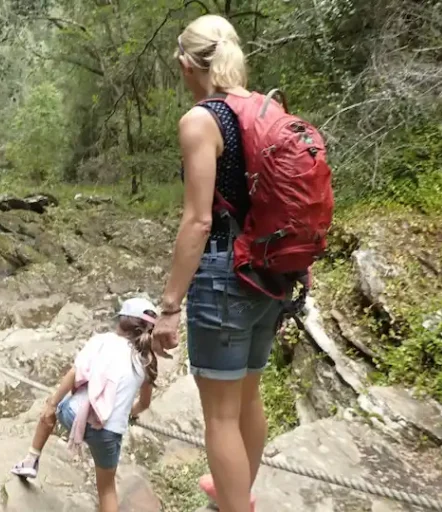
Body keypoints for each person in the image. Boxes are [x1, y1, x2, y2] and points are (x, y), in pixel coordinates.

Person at [151, 15, 286, 512]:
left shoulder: (200, 120)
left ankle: (235, 505)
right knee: (249, 396)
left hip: (225, 274)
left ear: (188, 65)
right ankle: (235, 491)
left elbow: (197, 221)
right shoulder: (264, 108)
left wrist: (169, 307)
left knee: (221, 417)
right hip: (269, 270)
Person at [10, 297, 160, 512]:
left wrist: (52, 404)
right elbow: (144, 404)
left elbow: (75, 373)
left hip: (73, 415)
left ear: (121, 321)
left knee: (55, 402)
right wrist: (129, 414)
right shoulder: (147, 360)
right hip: (109, 433)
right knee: (107, 490)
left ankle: (31, 460)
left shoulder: (102, 340)